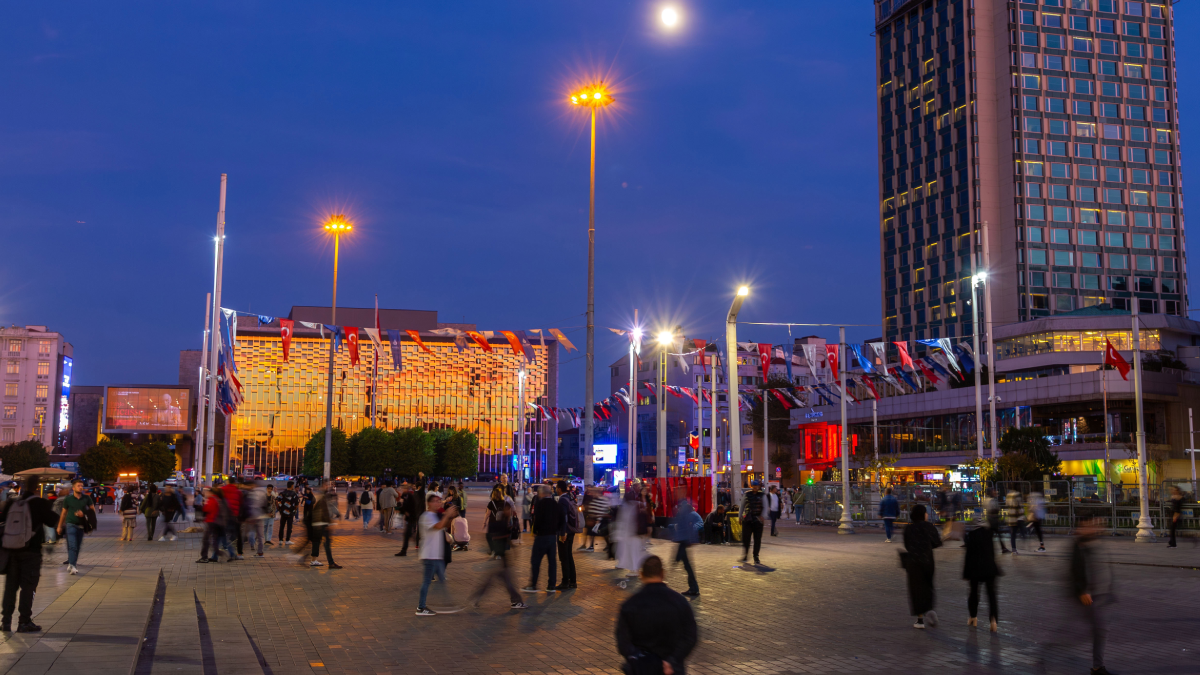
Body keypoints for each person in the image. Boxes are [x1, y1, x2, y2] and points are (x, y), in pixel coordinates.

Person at [615, 556, 698, 675]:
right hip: (672, 669)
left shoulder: (630, 604)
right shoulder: (679, 602)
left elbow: (623, 641)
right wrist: (673, 660)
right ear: (663, 573)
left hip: (641, 669)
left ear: (641, 574)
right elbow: (690, 636)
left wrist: (638, 658)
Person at [1, 479, 65, 633]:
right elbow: (52, 521)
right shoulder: (39, 503)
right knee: (28, 587)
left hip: (11, 550)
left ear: (22, 487)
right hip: (31, 551)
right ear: (37, 487)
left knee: (10, 586)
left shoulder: (12, 502)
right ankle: (24, 622)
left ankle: (6, 621)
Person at [1070, 517, 1114, 675]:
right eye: (1090, 525)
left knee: (1099, 630)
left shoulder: (1097, 542)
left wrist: (1110, 589)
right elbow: (1076, 570)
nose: (1095, 527)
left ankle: (1097, 666)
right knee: (1098, 630)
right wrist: (1082, 590)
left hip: (1101, 594)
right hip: (1089, 596)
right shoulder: (1080, 545)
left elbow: (1104, 565)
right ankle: (1097, 667)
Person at [470, 489, 527, 610]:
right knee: (507, 582)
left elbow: (500, 538)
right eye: (508, 510)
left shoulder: (502, 523)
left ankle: (476, 599)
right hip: (499, 560)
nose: (509, 511)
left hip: (499, 559)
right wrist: (497, 550)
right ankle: (516, 601)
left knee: (491, 582)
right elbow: (496, 538)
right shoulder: (501, 525)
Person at [416, 493, 458, 616]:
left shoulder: (434, 515)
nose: (437, 503)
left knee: (442, 579)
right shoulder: (426, 516)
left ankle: (448, 604)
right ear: (429, 503)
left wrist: (449, 517)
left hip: (436, 555)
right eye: (435, 501)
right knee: (427, 581)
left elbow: (442, 526)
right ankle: (421, 607)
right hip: (429, 554)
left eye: (439, 501)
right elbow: (439, 526)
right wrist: (447, 515)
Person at [902, 504, 942, 629]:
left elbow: (907, 546)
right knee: (928, 585)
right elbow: (937, 543)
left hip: (913, 562)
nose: (927, 515)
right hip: (927, 561)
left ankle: (920, 620)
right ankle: (929, 609)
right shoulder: (929, 527)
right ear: (923, 514)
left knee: (916, 589)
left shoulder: (908, 529)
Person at [963, 517, 1001, 632]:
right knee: (991, 595)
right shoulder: (989, 535)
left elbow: (968, 557)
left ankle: (973, 617)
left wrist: (965, 573)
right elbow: (992, 553)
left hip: (975, 570)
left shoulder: (971, 536)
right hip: (989, 569)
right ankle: (993, 621)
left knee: (974, 593)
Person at [523, 485, 562, 593]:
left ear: (543, 493)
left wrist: (535, 531)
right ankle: (551, 585)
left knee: (535, 561)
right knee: (552, 562)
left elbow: (537, 519)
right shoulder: (555, 504)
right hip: (552, 537)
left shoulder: (540, 504)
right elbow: (560, 519)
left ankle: (533, 585)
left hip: (541, 536)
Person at [56, 479, 94, 575]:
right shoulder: (68, 499)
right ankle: (72, 565)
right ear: (73, 488)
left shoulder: (86, 498)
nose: (81, 487)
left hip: (81, 525)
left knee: (77, 546)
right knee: (72, 546)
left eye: (82, 486)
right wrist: (59, 526)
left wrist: (84, 513)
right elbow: (63, 513)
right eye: (78, 486)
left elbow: (92, 511)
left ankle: (72, 564)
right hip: (70, 525)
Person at [670, 486, 701, 596]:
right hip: (683, 539)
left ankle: (694, 588)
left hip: (683, 539)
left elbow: (688, 525)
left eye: (678, 491)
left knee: (686, 565)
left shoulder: (684, 507)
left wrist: (690, 539)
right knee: (686, 564)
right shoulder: (682, 505)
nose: (676, 493)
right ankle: (693, 587)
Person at [307, 485, 342, 568]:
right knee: (327, 543)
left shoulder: (321, 501)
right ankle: (331, 563)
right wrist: (329, 523)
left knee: (316, 542)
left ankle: (313, 560)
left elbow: (332, 509)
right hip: (322, 524)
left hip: (316, 525)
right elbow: (327, 513)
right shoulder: (325, 502)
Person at [555, 480, 580, 590]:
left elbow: (563, 517)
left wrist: (562, 533)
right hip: (571, 530)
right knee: (569, 555)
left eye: (556, 488)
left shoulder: (562, 500)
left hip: (565, 532)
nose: (555, 490)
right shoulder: (570, 497)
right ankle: (572, 581)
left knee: (564, 557)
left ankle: (565, 582)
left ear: (559, 489)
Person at [739, 480, 766, 565]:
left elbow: (765, 506)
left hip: (758, 520)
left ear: (759, 486)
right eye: (753, 486)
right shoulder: (747, 494)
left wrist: (762, 516)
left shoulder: (762, 495)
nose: (755, 487)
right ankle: (746, 554)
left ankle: (756, 556)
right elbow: (742, 505)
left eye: (756, 486)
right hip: (747, 519)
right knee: (746, 538)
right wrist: (740, 516)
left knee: (757, 539)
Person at [984, 488, 1008, 553]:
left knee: (992, 535)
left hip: (990, 519)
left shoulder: (987, 500)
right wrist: (997, 510)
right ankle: (1003, 548)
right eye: (993, 492)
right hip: (993, 519)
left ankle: (1002, 548)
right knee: (996, 534)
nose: (995, 493)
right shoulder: (991, 500)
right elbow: (993, 509)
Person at [1005, 490, 1023, 555]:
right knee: (1018, 531)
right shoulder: (1017, 495)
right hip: (1016, 517)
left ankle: (1013, 549)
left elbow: (1006, 504)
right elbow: (1019, 505)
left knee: (1013, 534)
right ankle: (1023, 536)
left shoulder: (1008, 495)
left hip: (1010, 516)